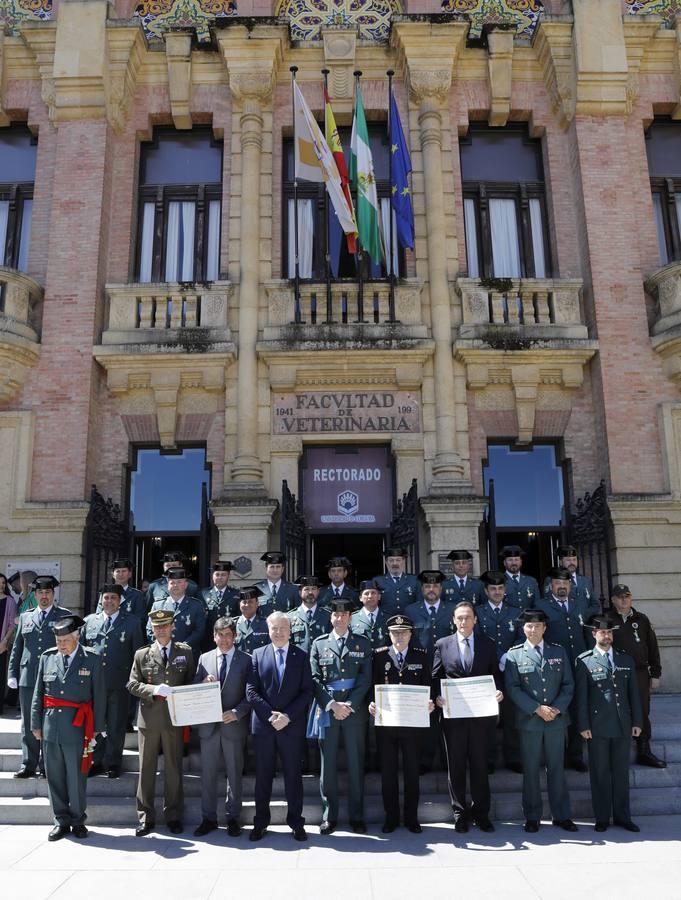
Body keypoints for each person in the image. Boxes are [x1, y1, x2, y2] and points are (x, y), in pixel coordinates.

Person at [30, 614, 106, 841]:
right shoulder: (48, 658)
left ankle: (77, 820)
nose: (60, 645)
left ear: (76, 637)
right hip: (51, 725)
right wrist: (35, 723)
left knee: (76, 775)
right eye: (58, 640)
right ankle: (60, 820)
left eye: (65, 640)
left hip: (78, 726)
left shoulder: (91, 658)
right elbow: (38, 693)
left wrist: (96, 728)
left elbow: (99, 696)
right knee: (54, 775)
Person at [504, 608, 577, 834]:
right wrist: (536, 708)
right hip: (530, 721)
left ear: (545, 628)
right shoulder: (514, 655)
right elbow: (512, 688)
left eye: (537, 626)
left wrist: (556, 708)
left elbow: (568, 685)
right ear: (523, 628)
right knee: (531, 769)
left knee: (556, 768)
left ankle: (562, 815)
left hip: (556, 719)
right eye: (529, 626)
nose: (533, 629)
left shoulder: (558, 651)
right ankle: (533, 816)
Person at [432, 601, 502, 833]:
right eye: (459, 618)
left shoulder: (487, 644)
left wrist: (498, 692)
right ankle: (460, 812)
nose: (463, 622)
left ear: (475, 620)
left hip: (481, 718)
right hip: (453, 718)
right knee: (457, 766)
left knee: (480, 765)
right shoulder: (442, 645)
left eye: (468, 617)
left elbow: (496, 676)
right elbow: (434, 678)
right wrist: (437, 697)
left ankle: (481, 813)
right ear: (453, 620)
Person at [246, 611, 313, 842]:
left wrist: (287, 716)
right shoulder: (257, 654)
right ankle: (260, 822)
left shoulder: (301, 656)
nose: (278, 632)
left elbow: (307, 691)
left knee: (293, 776)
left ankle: (296, 822)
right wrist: (270, 716)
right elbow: (251, 691)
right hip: (264, 727)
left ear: (290, 630)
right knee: (263, 776)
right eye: (274, 628)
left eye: (283, 628)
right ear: (269, 630)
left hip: (291, 726)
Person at [127, 608, 195, 836]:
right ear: (152, 629)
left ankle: (173, 815)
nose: (161, 630)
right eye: (157, 627)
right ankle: (145, 816)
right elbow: (132, 684)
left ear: (173, 626)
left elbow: (191, 681)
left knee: (174, 769)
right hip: (149, 719)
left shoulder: (185, 651)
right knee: (146, 769)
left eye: (165, 625)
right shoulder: (142, 654)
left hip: (175, 719)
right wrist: (153, 689)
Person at [309, 597, 372, 834]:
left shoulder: (362, 643)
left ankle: (357, 816)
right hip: (327, 711)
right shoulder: (319, 644)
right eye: (336, 615)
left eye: (344, 615)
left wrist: (349, 705)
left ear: (350, 617)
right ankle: (329, 815)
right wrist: (332, 704)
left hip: (354, 713)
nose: (339, 618)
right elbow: (314, 679)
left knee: (356, 764)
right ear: (331, 617)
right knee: (328, 767)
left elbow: (365, 679)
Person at [576, 614, 642, 833]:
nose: (607, 635)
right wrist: (583, 724)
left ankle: (623, 816)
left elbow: (634, 694)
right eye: (603, 632)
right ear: (594, 634)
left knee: (621, 773)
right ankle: (602, 817)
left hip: (623, 725)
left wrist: (637, 722)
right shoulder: (585, 660)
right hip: (597, 726)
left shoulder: (625, 660)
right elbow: (582, 697)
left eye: (610, 632)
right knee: (600, 773)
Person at [369, 614, 434, 833]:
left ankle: (411, 817)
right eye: (395, 633)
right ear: (389, 634)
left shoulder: (421, 656)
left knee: (411, 772)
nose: (399, 636)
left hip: (412, 724)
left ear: (410, 634)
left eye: (403, 632)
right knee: (388, 772)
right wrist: (371, 704)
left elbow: (428, 686)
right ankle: (391, 817)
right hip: (386, 724)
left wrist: (430, 703)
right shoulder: (378, 657)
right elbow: (372, 686)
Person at [536, 565, 600, 771]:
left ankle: (575, 755)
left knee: (577, 709)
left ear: (570, 585)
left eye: (565, 583)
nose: (562, 587)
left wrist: (592, 659)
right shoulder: (541, 606)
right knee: (556, 710)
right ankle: (556, 757)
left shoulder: (580, 604)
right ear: (551, 586)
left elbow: (587, 634)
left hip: (578, 665)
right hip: (554, 668)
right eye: (558, 583)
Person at [193, 616, 251, 838]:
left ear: (235, 636)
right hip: (208, 727)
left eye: (229, 635)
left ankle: (233, 817)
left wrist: (237, 713)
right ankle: (208, 818)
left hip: (233, 726)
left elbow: (251, 694)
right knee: (207, 774)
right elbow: (194, 688)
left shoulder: (246, 660)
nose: (225, 639)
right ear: (214, 636)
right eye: (220, 635)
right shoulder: (204, 658)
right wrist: (201, 683)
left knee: (234, 773)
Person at [7, 576, 71, 778]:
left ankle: (46, 764)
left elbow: (69, 647)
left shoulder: (64, 615)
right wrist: (12, 673)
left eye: (48, 592)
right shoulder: (26, 616)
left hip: (52, 678)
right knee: (28, 722)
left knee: (49, 722)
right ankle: (28, 763)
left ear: (53, 594)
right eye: (41, 593)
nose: (44, 596)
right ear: (35, 595)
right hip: (28, 677)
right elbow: (18, 647)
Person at [81, 583, 144, 778]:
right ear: (101, 600)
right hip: (94, 684)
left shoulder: (132, 622)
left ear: (120, 601)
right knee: (97, 724)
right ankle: (96, 760)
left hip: (119, 683)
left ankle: (114, 762)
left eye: (113, 598)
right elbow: (81, 652)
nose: (109, 601)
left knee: (116, 724)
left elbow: (138, 654)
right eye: (106, 597)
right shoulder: (89, 622)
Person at [610, 584, 666, 768]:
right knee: (618, 710)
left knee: (642, 709)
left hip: (640, 673)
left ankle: (644, 750)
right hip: (615, 673)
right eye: (619, 597)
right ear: (613, 600)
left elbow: (652, 647)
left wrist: (655, 673)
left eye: (627, 596)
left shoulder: (641, 619)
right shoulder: (607, 619)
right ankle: (618, 752)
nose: (624, 599)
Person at [474, 570, 522, 773]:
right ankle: (489, 759)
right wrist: (498, 656)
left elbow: (522, 638)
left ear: (505, 590)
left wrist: (508, 656)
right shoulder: (478, 612)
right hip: (487, 670)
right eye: (493, 588)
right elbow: (478, 638)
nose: (497, 592)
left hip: (511, 668)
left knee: (511, 715)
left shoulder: (516, 612)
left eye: (500, 588)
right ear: (486, 591)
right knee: (488, 717)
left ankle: (513, 757)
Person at [147, 566, 206, 659]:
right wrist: (165, 645)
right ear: (167, 585)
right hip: (163, 654)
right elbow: (150, 630)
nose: (175, 585)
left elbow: (199, 631)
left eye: (179, 582)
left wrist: (182, 647)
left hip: (188, 654)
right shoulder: (158, 606)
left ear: (186, 584)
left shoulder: (196, 605)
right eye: (172, 582)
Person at [405, 570, 455, 660]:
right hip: (420, 661)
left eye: (435, 586)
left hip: (446, 660)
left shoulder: (452, 609)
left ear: (441, 589)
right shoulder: (411, 611)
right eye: (427, 586)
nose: (431, 590)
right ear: (422, 589)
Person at [201, 562, 240, 651]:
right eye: (217, 574)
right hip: (208, 641)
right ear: (212, 576)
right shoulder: (202, 594)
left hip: (228, 640)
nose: (220, 577)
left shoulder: (236, 595)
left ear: (228, 576)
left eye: (223, 575)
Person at [288, 576, 332, 654]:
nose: (310, 592)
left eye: (313, 589)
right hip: (299, 663)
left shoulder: (328, 616)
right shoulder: (289, 617)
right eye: (306, 589)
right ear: (300, 592)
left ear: (318, 591)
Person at [372, 546, 420, 615]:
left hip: (409, 621)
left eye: (398, 560)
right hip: (386, 622)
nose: (395, 563)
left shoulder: (414, 580)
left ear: (403, 561)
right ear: (386, 562)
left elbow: (419, 603)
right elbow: (374, 604)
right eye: (391, 560)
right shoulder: (377, 581)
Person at [254, 551, 299, 616]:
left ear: (282, 569)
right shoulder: (257, 588)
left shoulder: (293, 589)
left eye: (278, 567)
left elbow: (297, 612)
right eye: (272, 567)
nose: (275, 570)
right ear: (266, 568)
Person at [350, 579, 391, 651]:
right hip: (361, 660)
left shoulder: (389, 618)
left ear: (379, 597)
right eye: (366, 593)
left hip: (383, 659)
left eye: (373, 593)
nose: (370, 596)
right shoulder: (352, 618)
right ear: (360, 598)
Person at [0, 573, 18, 715]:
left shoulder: (10, 601)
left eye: (3, 583)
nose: (1, 585)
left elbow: (12, 624)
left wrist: (5, 641)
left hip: (1, 643)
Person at [500, 545, 540, 609]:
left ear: (521, 562)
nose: (514, 563)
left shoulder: (531, 581)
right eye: (510, 560)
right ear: (504, 563)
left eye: (516, 559)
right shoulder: (499, 581)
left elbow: (537, 605)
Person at [235, 587, 271, 655]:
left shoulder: (266, 624)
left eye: (250, 602)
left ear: (257, 604)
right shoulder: (233, 624)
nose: (247, 605)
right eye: (244, 602)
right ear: (239, 604)